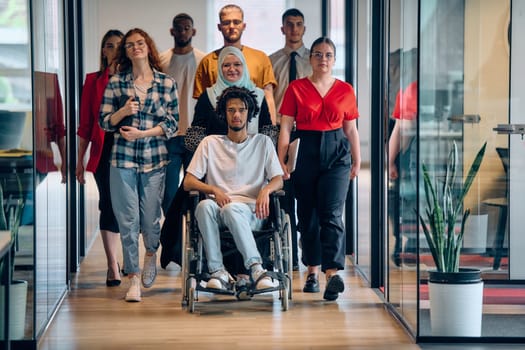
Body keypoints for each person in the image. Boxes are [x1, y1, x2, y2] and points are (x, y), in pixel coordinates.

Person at [277, 37, 361, 301]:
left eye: (328, 55)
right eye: (317, 54)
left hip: (337, 153)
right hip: (305, 150)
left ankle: (331, 273)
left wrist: (357, 160)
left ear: (334, 59)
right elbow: (286, 127)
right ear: (310, 59)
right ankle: (312, 270)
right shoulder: (296, 88)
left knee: (332, 213)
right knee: (308, 217)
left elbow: (351, 129)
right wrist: (282, 160)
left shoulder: (346, 89)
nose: (323, 59)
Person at [99, 28, 178, 302]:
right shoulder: (116, 83)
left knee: (150, 220)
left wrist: (143, 134)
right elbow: (103, 121)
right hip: (121, 160)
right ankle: (133, 278)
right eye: (130, 45)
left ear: (148, 46)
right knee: (128, 220)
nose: (135, 48)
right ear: (126, 51)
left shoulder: (166, 83)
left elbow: (172, 124)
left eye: (140, 43)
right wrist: (122, 112)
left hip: (155, 159)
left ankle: (150, 253)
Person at [183, 86, 283, 291]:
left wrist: (265, 190)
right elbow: (189, 182)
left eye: (242, 110)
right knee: (203, 206)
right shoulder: (210, 143)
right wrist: (213, 190)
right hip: (220, 208)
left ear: (250, 113)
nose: (236, 115)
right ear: (223, 113)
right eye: (231, 110)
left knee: (230, 208)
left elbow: (278, 180)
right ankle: (218, 271)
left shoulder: (263, 142)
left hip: (253, 211)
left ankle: (256, 268)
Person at [76, 29, 123, 287]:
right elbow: (85, 124)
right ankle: (112, 265)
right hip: (103, 151)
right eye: (109, 45)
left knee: (129, 206)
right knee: (108, 204)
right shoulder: (93, 81)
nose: (114, 49)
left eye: (118, 45)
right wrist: (79, 161)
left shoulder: (133, 79)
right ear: (103, 51)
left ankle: (130, 258)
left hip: (130, 150)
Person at [269, 8, 312, 271]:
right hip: (280, 131)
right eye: (290, 25)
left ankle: (308, 255)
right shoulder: (272, 61)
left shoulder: (314, 60)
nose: (294, 29)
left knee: (306, 196)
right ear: (282, 28)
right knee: (284, 193)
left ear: (304, 29)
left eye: (299, 25)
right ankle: (289, 257)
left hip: (307, 132)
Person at [193, 4, 278, 124]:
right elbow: (202, 103)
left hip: (252, 131)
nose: (232, 26)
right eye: (226, 22)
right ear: (219, 26)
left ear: (244, 26)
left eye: (236, 22)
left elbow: (268, 97)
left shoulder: (260, 58)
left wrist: (271, 134)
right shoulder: (207, 61)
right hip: (217, 132)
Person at [159, 13, 205, 214]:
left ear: (193, 31)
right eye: (179, 28)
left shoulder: (203, 60)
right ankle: (172, 235)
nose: (183, 31)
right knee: (167, 191)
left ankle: (194, 233)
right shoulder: (161, 60)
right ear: (172, 31)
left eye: (187, 28)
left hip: (195, 132)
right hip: (169, 132)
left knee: (195, 187)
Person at [187, 45, 273, 150]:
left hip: (252, 157)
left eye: (237, 64)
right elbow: (196, 133)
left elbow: (267, 131)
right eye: (226, 65)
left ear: (244, 67)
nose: (232, 69)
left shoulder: (258, 95)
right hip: (217, 158)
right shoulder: (208, 95)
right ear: (219, 67)